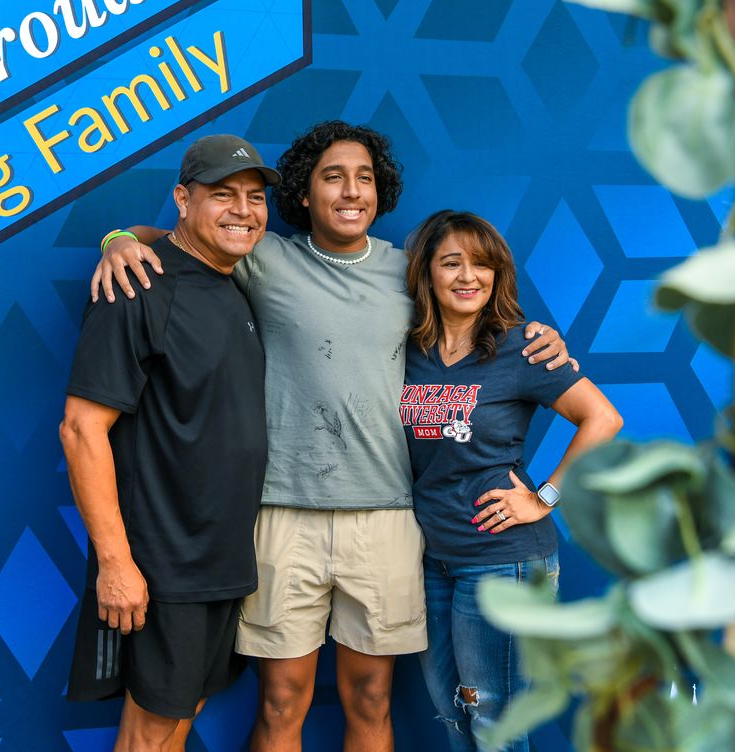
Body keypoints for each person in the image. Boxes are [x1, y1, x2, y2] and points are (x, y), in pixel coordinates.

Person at [91, 120, 571, 752]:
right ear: (305, 193)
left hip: (386, 517)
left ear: (380, 191)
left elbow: (473, 299)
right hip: (282, 515)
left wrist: (542, 338)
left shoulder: (410, 272)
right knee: (282, 701)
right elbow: (183, 242)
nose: (351, 191)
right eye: (333, 177)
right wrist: (119, 238)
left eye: (364, 178)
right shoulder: (262, 256)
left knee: (370, 700)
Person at [59, 134, 277, 751]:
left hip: (223, 559)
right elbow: (80, 429)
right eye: (223, 195)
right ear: (182, 200)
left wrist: (123, 234)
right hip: (164, 565)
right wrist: (115, 564)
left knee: (179, 717)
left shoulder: (235, 283)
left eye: (255, 198)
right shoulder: (138, 288)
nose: (243, 209)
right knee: (151, 733)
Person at [401, 210, 623, 752]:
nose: (468, 276)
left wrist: (544, 497)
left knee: (495, 722)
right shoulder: (407, 349)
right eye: (451, 263)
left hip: (504, 560)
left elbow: (604, 419)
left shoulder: (522, 346)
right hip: (435, 559)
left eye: (483, 265)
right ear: (427, 273)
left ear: (499, 275)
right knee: (453, 714)